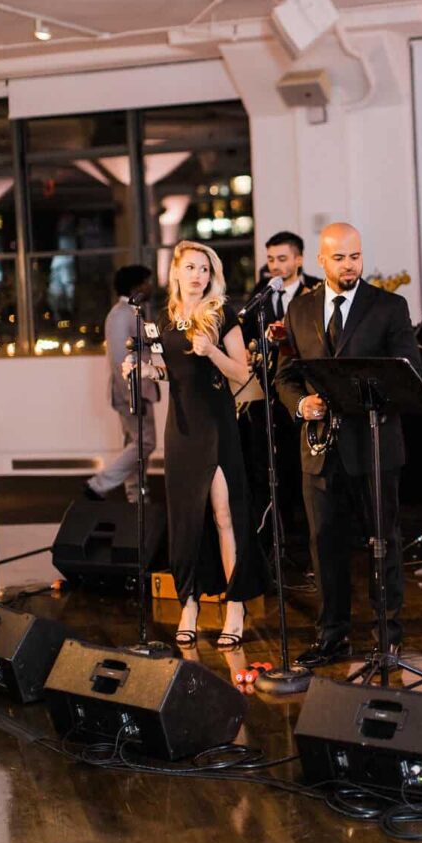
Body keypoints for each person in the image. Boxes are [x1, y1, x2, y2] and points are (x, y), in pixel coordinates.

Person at [275, 222, 421, 668]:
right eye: (339, 258)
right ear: (321, 260)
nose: (349, 265)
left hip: (373, 445)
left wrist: (354, 394)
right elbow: (285, 376)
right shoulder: (299, 309)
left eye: (355, 256)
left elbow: (409, 371)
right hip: (319, 450)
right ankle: (332, 637)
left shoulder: (389, 306)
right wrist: (302, 405)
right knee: (324, 544)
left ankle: (387, 637)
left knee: (383, 541)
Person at [124, 240, 267, 647]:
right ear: (176, 272)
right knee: (185, 520)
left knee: (224, 516)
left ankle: (234, 605)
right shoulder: (164, 319)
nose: (198, 275)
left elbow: (242, 374)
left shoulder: (223, 314)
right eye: (190, 267)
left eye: (205, 269)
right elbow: (170, 372)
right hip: (181, 428)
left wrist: (213, 352)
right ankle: (189, 603)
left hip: (217, 426)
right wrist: (144, 369)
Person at [239, 231, 318, 546]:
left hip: (302, 386)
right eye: (271, 259)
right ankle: (275, 528)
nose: (274, 265)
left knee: (300, 457)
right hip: (265, 389)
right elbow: (246, 333)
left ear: (299, 259)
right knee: (266, 458)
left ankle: (308, 528)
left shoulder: (316, 291)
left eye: (282, 259)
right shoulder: (261, 292)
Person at [84, 265, 159, 503]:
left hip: (139, 390)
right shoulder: (119, 315)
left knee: (135, 443)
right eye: (147, 281)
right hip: (132, 392)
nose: (151, 286)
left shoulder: (134, 311)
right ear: (136, 286)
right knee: (145, 443)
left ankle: (136, 495)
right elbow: (119, 360)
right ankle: (99, 484)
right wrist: (133, 396)